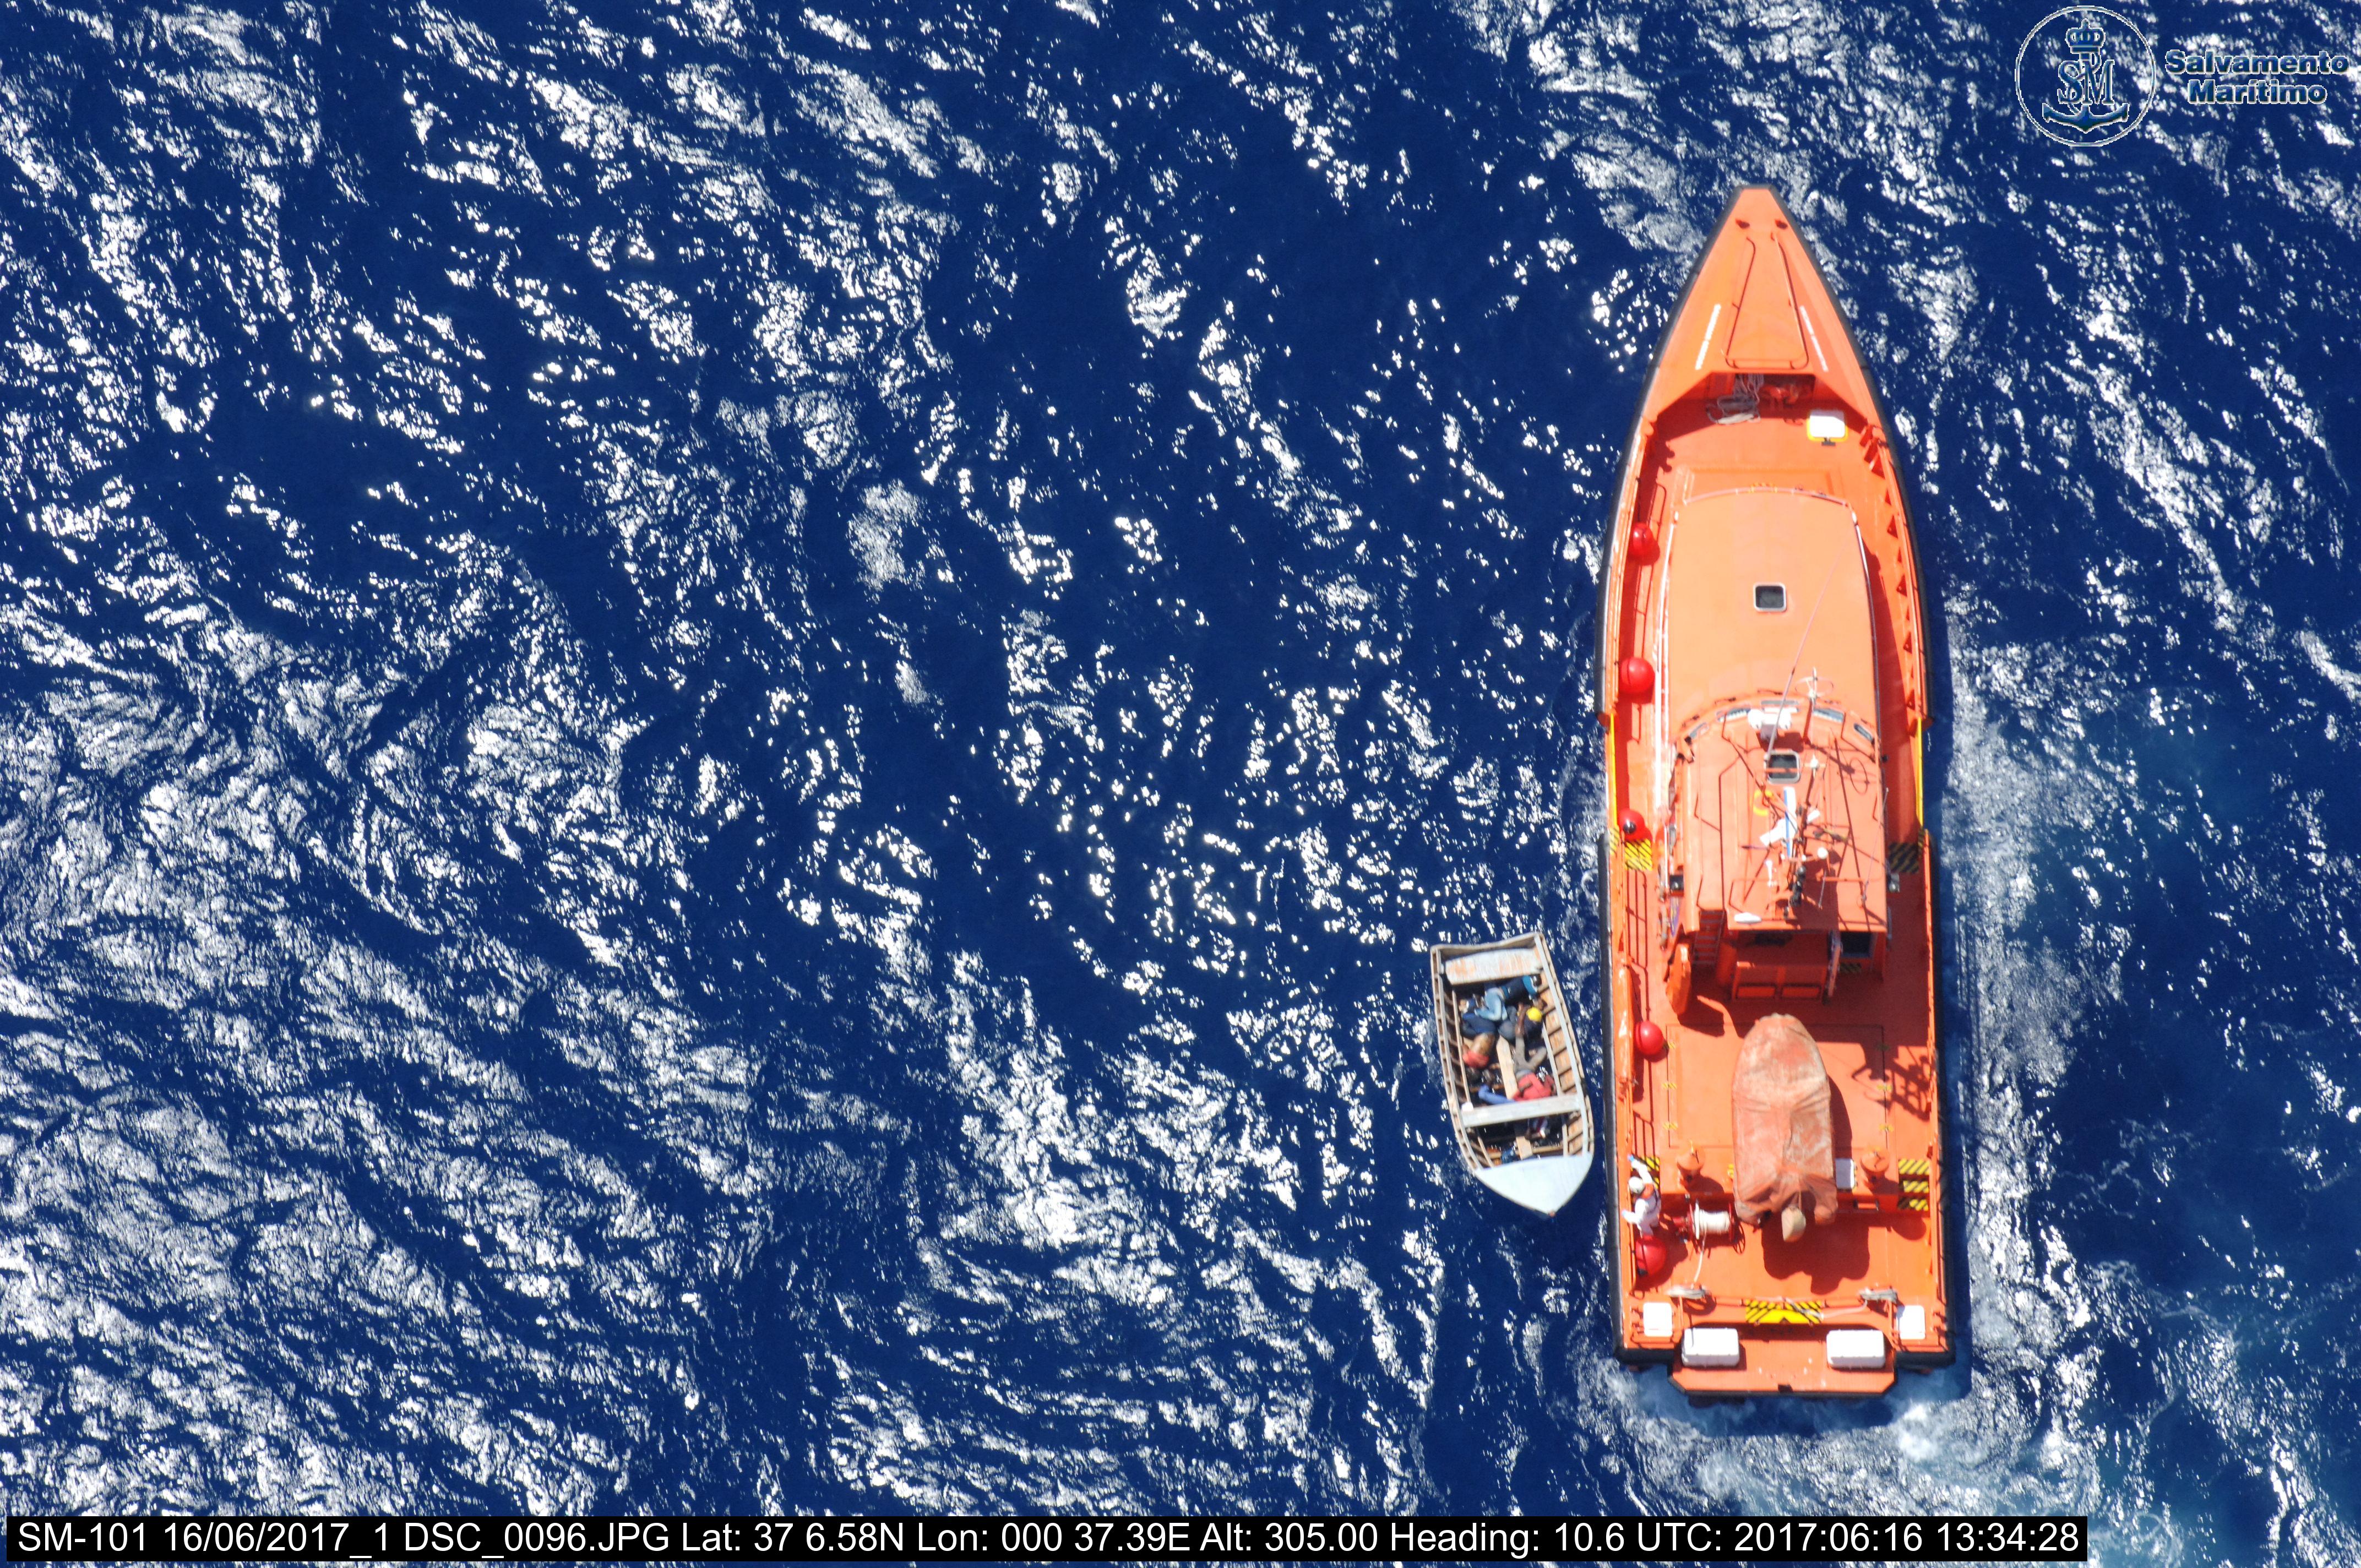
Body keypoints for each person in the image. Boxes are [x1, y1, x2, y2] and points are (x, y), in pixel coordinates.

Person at [1620, 1155, 1662, 1236]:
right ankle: (1655, 1224)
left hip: (1650, 1213)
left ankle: (1649, 1236)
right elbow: (1642, 1169)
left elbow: (1639, 1219)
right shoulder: (1649, 1182)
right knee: (1654, 1219)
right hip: (1657, 1206)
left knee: (1642, 1225)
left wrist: (1626, 1215)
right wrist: (1633, 1161)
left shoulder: (1641, 1204)